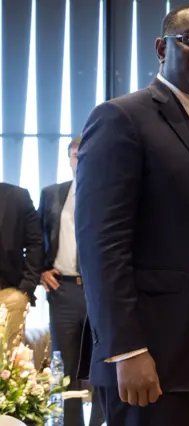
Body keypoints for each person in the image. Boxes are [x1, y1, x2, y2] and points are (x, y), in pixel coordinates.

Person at [75, 4, 189, 426]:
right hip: (152, 362)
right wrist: (127, 349)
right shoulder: (122, 118)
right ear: (161, 48)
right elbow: (102, 245)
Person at [38, 136, 104, 426]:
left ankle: (102, 421)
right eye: (75, 155)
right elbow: (37, 235)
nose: (80, 160)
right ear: (69, 159)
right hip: (63, 291)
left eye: (84, 154)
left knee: (101, 362)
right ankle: (71, 423)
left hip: (98, 290)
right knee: (66, 366)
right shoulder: (52, 194)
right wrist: (40, 269)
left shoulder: (108, 193)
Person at [0, 183, 43, 352]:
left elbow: (36, 243)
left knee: (8, 364)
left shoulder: (17, 196)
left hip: (9, 294)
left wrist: (26, 288)